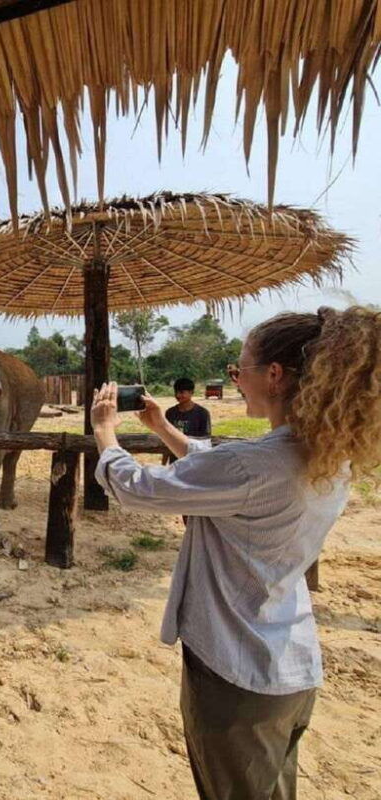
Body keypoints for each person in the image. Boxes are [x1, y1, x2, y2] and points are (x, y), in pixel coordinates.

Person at [91, 306, 381, 800]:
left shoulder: (255, 465)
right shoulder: (328, 454)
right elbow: (223, 471)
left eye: (238, 371)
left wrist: (104, 433)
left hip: (237, 677)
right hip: (289, 666)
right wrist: (163, 427)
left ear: (272, 375)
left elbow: (138, 488)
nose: (236, 381)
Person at [162, 377, 211, 465]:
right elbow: (166, 439)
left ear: (191, 392)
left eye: (181, 392)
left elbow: (205, 442)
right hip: (175, 463)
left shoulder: (202, 413)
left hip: (194, 462)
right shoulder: (170, 413)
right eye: (176, 392)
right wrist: (163, 464)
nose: (178, 395)